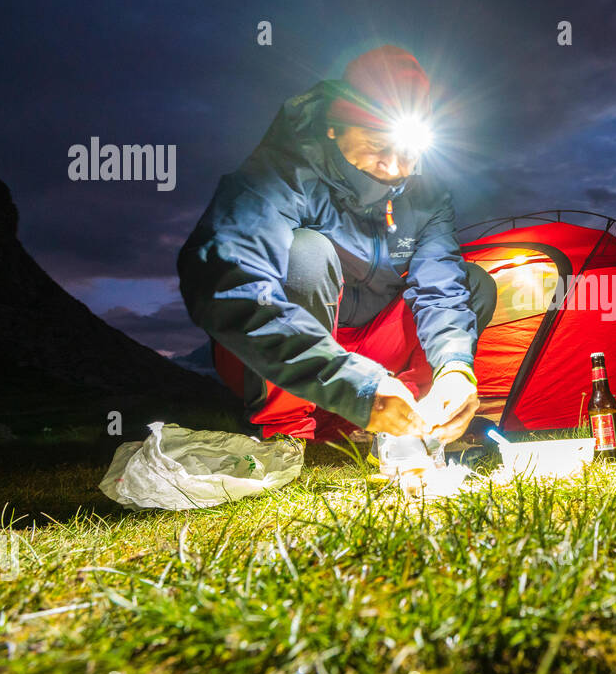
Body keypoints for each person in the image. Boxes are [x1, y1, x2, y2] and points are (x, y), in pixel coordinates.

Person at [177, 45, 495, 444]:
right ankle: (284, 432)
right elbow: (225, 277)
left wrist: (454, 367)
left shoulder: (428, 197)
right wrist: (352, 384)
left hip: (374, 345)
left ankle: (408, 424)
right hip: (277, 344)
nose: (394, 167)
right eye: (378, 144)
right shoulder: (282, 174)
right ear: (334, 126)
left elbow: (440, 287)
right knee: (307, 252)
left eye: (409, 151)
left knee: (473, 282)